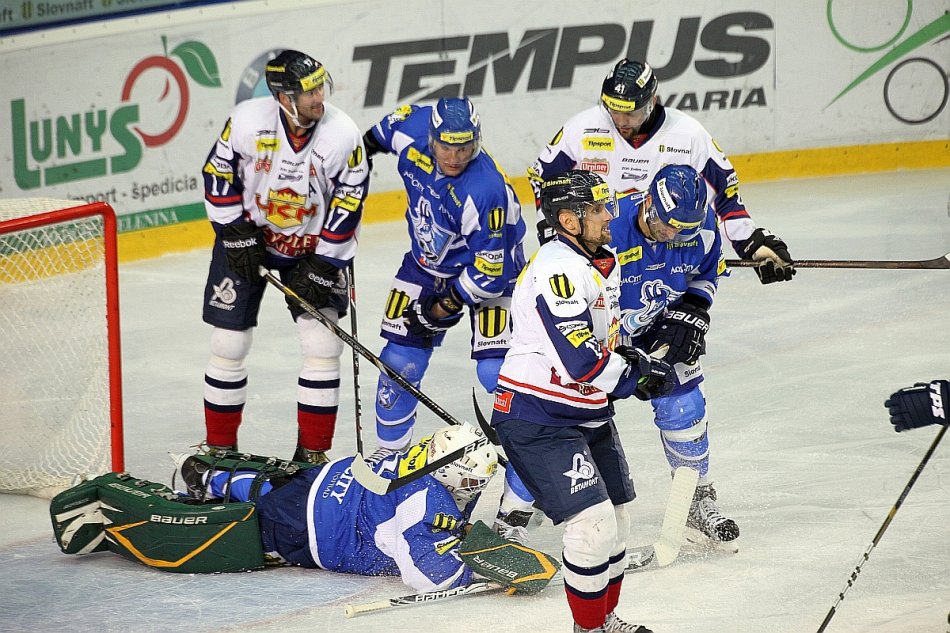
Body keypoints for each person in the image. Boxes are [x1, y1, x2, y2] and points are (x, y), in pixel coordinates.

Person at [490, 170, 676, 633]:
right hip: (538, 415)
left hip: (586, 410)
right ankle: (588, 629)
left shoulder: (596, 259)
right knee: (592, 525)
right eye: (597, 209)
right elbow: (580, 360)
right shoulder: (559, 270)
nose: (609, 215)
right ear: (569, 221)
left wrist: (635, 357)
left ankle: (602, 620)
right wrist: (635, 377)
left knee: (617, 521)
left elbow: (601, 340)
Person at [52, 425, 543, 595]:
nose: (476, 488)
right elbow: (427, 575)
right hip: (308, 529)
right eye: (476, 481)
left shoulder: (419, 457)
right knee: (241, 530)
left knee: (270, 488)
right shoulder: (428, 499)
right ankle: (129, 511)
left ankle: (207, 474)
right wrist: (477, 572)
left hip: (320, 482)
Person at [199, 50, 369, 464]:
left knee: (323, 346)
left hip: (312, 252)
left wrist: (326, 262)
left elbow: (350, 200)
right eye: (309, 91)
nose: (319, 97)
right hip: (248, 240)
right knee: (228, 343)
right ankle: (219, 449)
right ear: (284, 97)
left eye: (320, 88)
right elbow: (217, 172)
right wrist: (233, 230)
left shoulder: (342, 134)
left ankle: (312, 455)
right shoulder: (246, 121)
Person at [528, 58, 795, 285]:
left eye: (630, 113)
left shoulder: (688, 135)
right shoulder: (582, 128)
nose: (620, 121)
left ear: (651, 102)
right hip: (594, 253)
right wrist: (551, 228)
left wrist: (750, 242)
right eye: (613, 110)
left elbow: (725, 194)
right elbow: (543, 179)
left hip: (659, 256)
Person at [360, 97, 527, 456]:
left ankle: (530, 459)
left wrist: (443, 306)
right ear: (431, 137)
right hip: (427, 263)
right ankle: (388, 458)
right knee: (398, 365)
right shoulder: (411, 128)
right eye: (446, 147)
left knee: (497, 371)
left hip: (496, 268)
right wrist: (355, 167)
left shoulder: (484, 189)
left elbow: (490, 273)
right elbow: (375, 137)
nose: (455, 157)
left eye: (464, 148)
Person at [609, 164, 738, 546]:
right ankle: (522, 505)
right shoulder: (608, 228)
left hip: (658, 328)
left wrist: (692, 313)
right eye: (666, 226)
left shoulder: (705, 228)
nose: (672, 236)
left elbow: (705, 275)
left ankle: (696, 499)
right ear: (648, 202)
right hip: (598, 334)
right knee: (565, 414)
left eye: (683, 230)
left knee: (685, 406)